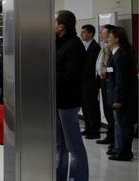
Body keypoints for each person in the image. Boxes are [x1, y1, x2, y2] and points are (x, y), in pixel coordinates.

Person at [55, 10, 88, 181]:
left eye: (54, 21)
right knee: (60, 145)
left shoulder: (74, 46)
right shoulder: (59, 43)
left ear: (62, 26)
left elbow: (71, 77)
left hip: (68, 103)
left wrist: (51, 74)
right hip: (58, 101)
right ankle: (59, 177)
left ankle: (78, 178)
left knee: (74, 147)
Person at [105, 27, 137, 161]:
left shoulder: (121, 55)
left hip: (124, 97)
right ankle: (119, 149)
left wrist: (118, 99)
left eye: (109, 37)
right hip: (120, 94)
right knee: (120, 123)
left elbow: (121, 79)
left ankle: (125, 152)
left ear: (117, 38)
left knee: (124, 125)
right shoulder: (117, 53)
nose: (107, 39)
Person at [94, 24, 116, 147]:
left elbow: (112, 67)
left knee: (111, 110)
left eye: (103, 32)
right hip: (102, 81)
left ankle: (113, 138)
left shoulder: (113, 49)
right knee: (107, 110)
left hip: (109, 81)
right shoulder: (104, 47)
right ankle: (110, 135)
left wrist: (105, 71)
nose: (101, 34)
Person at [80, 24, 101, 139]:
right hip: (84, 83)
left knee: (91, 107)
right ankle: (88, 128)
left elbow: (90, 66)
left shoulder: (95, 47)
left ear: (90, 33)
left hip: (90, 82)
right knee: (85, 107)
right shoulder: (86, 46)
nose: (81, 34)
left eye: (84, 32)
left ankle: (94, 131)